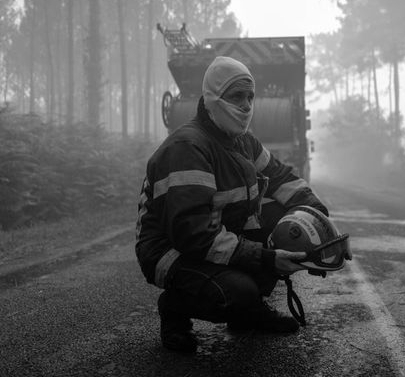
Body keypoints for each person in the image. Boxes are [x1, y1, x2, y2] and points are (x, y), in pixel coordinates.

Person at [135, 56, 329, 353]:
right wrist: (265, 257)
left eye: (250, 96)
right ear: (213, 96)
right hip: (170, 250)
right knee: (239, 291)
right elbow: (193, 235)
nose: (246, 105)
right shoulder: (188, 147)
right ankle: (175, 309)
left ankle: (248, 313)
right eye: (236, 96)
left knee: (284, 225)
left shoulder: (243, 142)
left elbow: (282, 179)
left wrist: (320, 224)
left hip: (214, 236)